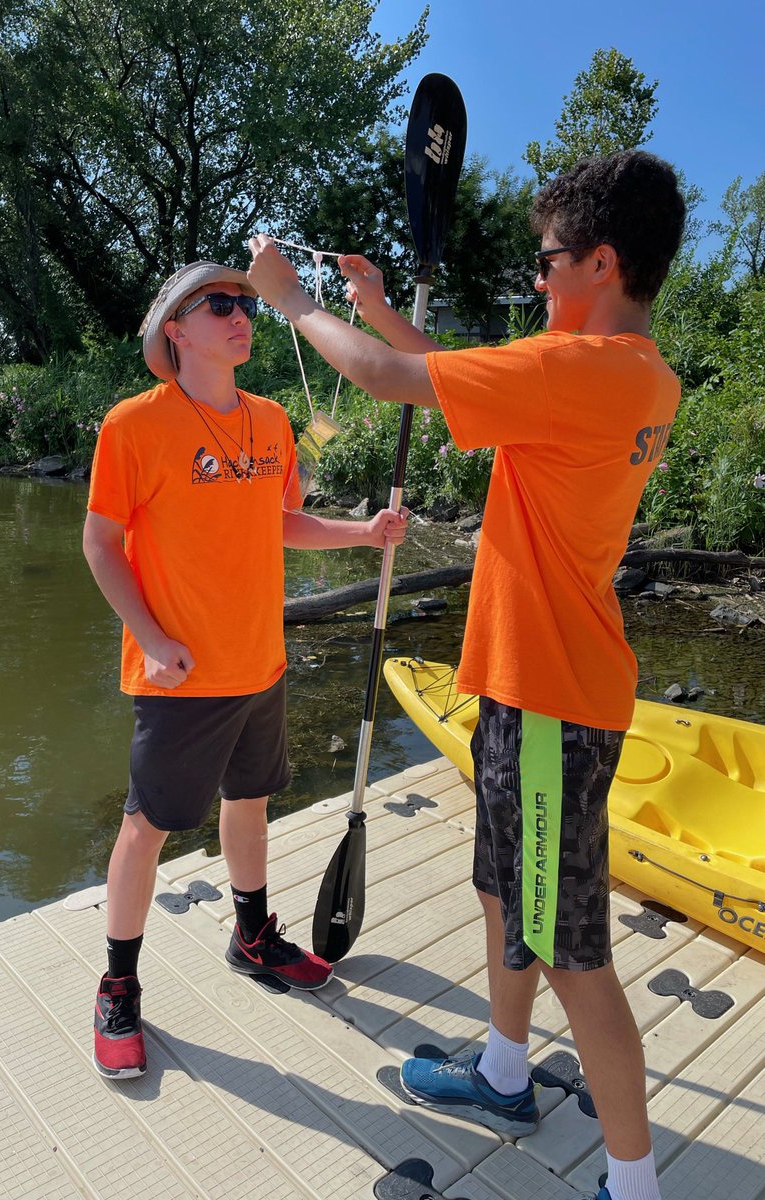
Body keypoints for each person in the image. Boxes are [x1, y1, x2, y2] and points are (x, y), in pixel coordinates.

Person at [247, 150, 686, 1200]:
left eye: (547, 262)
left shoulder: (579, 371)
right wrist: (380, 305)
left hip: (549, 701)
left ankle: (634, 1185)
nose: (537, 280)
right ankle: (501, 1069)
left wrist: (293, 302)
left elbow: (395, 382)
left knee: (572, 946)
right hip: (534, 683)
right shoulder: (634, 374)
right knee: (506, 894)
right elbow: (450, 374)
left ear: (602, 261)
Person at [84, 260, 408, 1081]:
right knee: (146, 824)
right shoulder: (133, 424)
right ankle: (118, 984)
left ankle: (251, 934)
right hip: (181, 672)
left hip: (260, 657)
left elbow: (282, 522)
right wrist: (152, 639)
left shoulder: (270, 420)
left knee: (251, 800)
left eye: (245, 301)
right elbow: (99, 542)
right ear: (175, 331)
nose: (241, 313)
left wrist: (363, 534)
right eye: (218, 303)